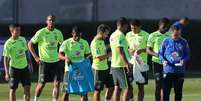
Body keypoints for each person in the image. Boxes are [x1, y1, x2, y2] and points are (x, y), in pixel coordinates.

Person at [28, 15, 64, 101]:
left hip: (55, 62)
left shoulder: (58, 33)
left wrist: (60, 55)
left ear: (55, 22)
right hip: (44, 62)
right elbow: (30, 44)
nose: (51, 22)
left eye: (53, 20)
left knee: (57, 83)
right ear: (46, 22)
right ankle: (36, 99)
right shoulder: (41, 32)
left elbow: (62, 45)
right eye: (49, 20)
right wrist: (36, 57)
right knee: (41, 84)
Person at [59, 26, 91, 101]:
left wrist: (88, 58)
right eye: (76, 36)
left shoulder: (84, 42)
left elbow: (87, 55)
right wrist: (66, 58)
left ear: (81, 34)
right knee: (66, 91)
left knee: (83, 92)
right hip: (69, 70)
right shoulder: (66, 42)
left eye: (79, 36)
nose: (77, 38)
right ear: (72, 34)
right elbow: (59, 55)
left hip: (81, 70)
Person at [159, 25, 190, 101]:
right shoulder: (165, 41)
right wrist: (163, 60)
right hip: (168, 71)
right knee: (166, 93)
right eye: (175, 35)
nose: (177, 36)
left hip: (179, 71)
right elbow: (160, 54)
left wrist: (184, 60)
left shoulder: (184, 42)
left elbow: (187, 55)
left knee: (178, 93)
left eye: (179, 34)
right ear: (171, 33)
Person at [3, 24, 31, 101]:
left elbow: (26, 52)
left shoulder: (23, 39)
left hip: (24, 68)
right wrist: (6, 72)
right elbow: (5, 59)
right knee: (13, 90)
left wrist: (29, 64)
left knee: (27, 88)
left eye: (19, 30)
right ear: (11, 31)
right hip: (14, 69)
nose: (19, 32)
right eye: (17, 30)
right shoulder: (8, 43)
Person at [109, 17, 134, 101]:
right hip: (121, 65)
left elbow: (120, 50)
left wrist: (128, 50)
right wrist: (127, 64)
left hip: (114, 65)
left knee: (117, 88)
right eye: (126, 26)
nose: (127, 28)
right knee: (127, 88)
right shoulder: (120, 35)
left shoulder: (113, 35)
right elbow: (120, 51)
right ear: (123, 25)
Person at [147, 17, 170, 101]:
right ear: (159, 25)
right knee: (158, 84)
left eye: (167, 27)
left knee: (166, 85)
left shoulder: (170, 35)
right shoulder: (152, 35)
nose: (166, 28)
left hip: (167, 64)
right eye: (164, 26)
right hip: (156, 63)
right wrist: (157, 55)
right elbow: (148, 50)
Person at [126, 19, 149, 101]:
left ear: (140, 27)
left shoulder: (146, 35)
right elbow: (125, 48)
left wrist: (142, 50)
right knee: (127, 84)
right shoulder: (128, 35)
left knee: (141, 87)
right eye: (131, 28)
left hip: (141, 64)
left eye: (135, 28)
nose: (133, 30)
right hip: (131, 63)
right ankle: (131, 99)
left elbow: (149, 49)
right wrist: (129, 50)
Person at [91, 24, 114, 101]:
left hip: (106, 68)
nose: (107, 36)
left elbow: (103, 49)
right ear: (101, 32)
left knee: (111, 87)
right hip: (98, 70)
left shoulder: (101, 41)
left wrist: (111, 45)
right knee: (97, 91)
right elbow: (99, 57)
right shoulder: (95, 43)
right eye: (106, 33)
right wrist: (109, 54)